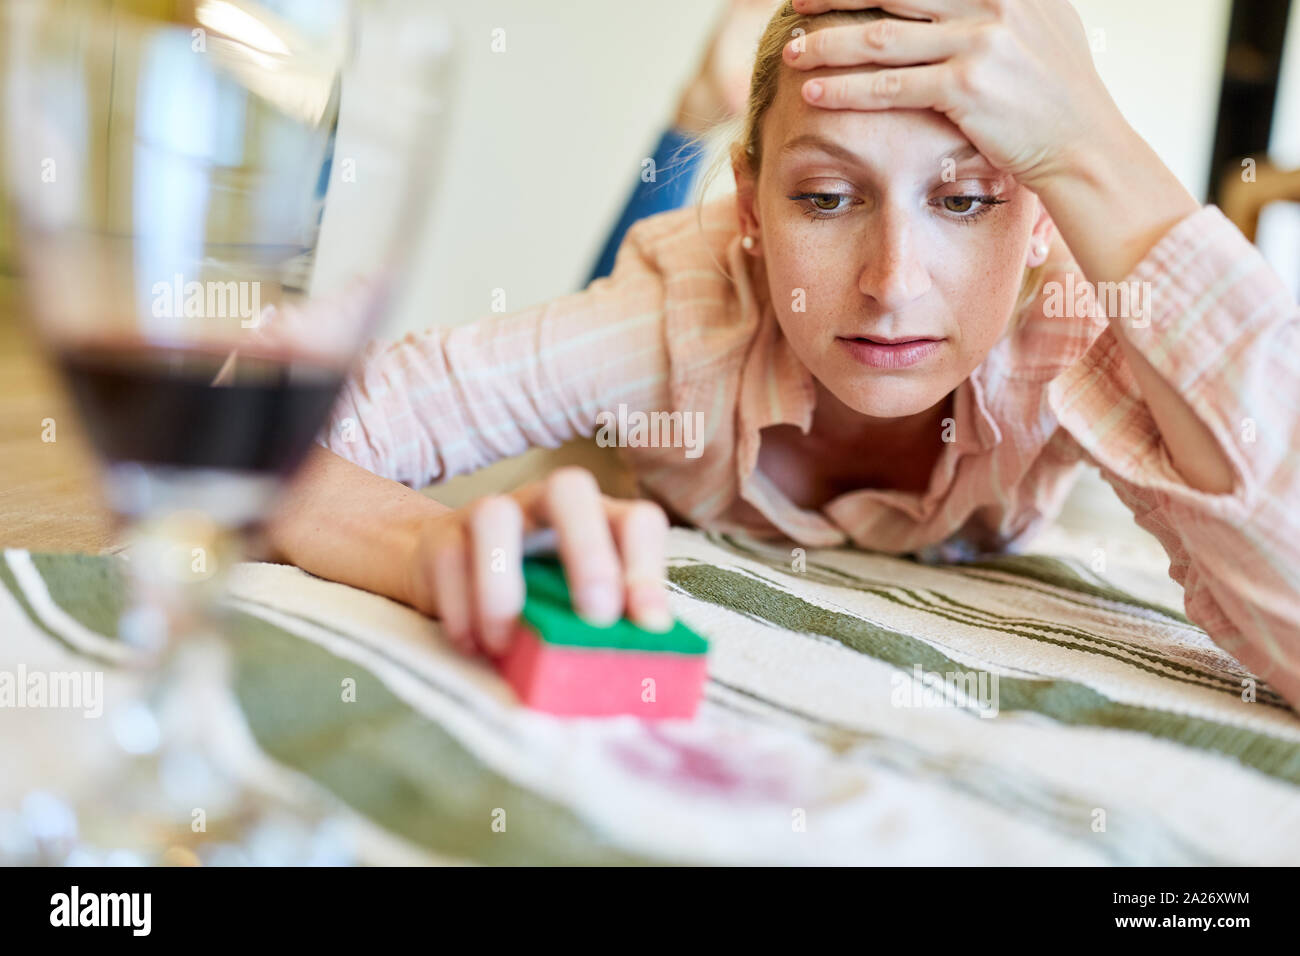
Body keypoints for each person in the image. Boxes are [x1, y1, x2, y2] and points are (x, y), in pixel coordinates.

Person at [267, 0, 1300, 712]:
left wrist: (1095, 148)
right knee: (618, 288)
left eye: (965, 198)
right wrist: (423, 547)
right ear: (754, 199)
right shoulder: (679, 320)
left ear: (1039, 218)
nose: (892, 282)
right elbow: (258, 422)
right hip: (692, 312)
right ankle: (698, 107)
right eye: (825, 195)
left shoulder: (1077, 314)